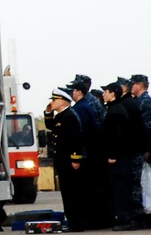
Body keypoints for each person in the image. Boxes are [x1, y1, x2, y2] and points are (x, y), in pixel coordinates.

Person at [66, 75, 112, 229]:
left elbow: (84, 131)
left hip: (89, 153)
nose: (71, 92)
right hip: (94, 151)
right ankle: (98, 218)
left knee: (90, 190)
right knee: (95, 189)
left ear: (80, 90)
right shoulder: (89, 102)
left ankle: (94, 220)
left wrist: (78, 155)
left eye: (73, 89)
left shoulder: (84, 105)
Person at [44, 88, 90, 232]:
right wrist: (48, 113)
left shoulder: (69, 116)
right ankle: (72, 222)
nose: (52, 102)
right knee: (67, 193)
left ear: (63, 101)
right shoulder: (61, 116)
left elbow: (75, 139)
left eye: (54, 100)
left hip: (69, 161)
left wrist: (75, 158)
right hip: (62, 161)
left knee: (73, 193)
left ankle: (76, 224)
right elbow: (51, 126)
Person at [102, 81, 143, 231]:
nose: (103, 94)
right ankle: (124, 218)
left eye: (106, 91)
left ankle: (127, 219)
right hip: (120, 157)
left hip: (119, 159)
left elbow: (118, 136)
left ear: (113, 94)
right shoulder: (114, 108)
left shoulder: (117, 110)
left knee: (122, 190)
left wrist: (113, 155)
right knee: (119, 189)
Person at [131, 74, 151, 228]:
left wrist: (147, 149)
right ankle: (150, 217)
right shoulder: (141, 101)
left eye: (133, 84)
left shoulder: (145, 102)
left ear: (139, 85)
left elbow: (149, 128)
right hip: (148, 149)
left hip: (150, 152)